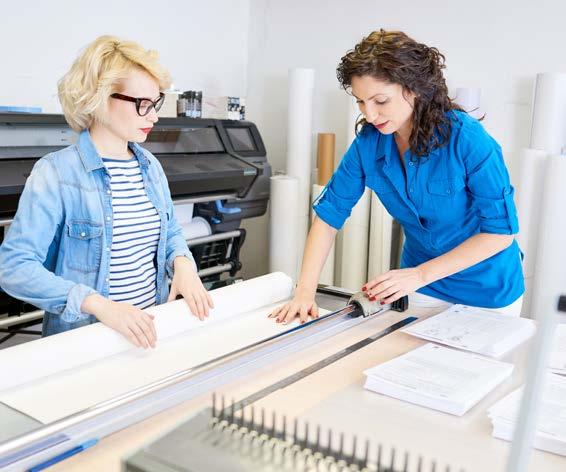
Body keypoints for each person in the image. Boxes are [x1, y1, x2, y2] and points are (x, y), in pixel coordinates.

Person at [270, 30, 524, 324]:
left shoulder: (468, 140)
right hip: (421, 286)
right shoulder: (369, 143)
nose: (370, 114)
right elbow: (328, 217)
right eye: (361, 102)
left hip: (487, 290)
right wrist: (304, 293)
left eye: (380, 100)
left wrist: (419, 275)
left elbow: (500, 233)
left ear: (413, 88)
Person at [0, 36, 213, 348]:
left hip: (148, 334)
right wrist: (98, 305)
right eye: (142, 104)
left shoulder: (149, 166)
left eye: (155, 104)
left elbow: (169, 235)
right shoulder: (56, 173)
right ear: (99, 98)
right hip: (86, 344)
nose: (153, 116)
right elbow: (14, 266)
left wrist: (182, 264)